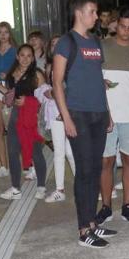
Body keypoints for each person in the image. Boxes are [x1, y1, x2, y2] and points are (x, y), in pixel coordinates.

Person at [52, 0, 117, 249]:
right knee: (84, 171)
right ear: (79, 13)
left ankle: (92, 222)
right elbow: (57, 82)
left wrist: (108, 112)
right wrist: (66, 117)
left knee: (95, 168)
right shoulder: (67, 42)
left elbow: (97, 79)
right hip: (78, 114)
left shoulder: (96, 42)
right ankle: (83, 230)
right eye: (92, 11)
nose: (95, 16)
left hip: (99, 114)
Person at [95, 6, 129, 225]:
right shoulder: (103, 46)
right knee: (105, 162)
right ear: (116, 26)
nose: (125, 31)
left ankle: (127, 206)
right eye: (122, 27)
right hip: (108, 115)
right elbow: (92, 74)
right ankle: (106, 207)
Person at [0, 45, 48, 200]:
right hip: (15, 117)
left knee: (36, 152)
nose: (25, 59)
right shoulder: (11, 75)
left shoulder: (37, 74)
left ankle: (41, 186)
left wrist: (28, 100)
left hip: (32, 118)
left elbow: (45, 98)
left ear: (33, 58)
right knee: (12, 152)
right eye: (22, 55)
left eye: (29, 56)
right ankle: (15, 188)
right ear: (17, 57)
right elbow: (11, 96)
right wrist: (2, 90)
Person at [35, 35, 77, 203]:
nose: (56, 46)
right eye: (53, 44)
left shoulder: (69, 64)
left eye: (60, 43)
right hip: (56, 112)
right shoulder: (50, 66)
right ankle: (68, 187)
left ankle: (64, 189)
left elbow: (67, 89)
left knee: (65, 151)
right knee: (64, 151)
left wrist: (52, 94)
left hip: (64, 112)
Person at [0, 22, 17, 179]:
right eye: (0, 32)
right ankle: (3, 165)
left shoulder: (15, 51)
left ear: (9, 34)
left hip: (10, 89)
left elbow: (20, 69)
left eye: (6, 32)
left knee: (14, 127)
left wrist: (9, 75)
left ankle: (23, 163)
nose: (3, 35)